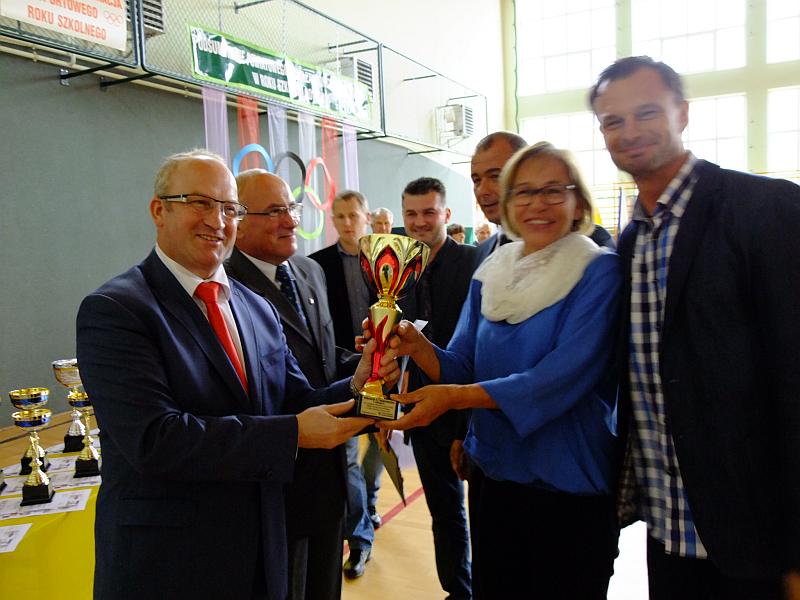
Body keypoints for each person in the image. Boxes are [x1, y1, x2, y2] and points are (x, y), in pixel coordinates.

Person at [76, 150, 394, 600]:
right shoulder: (117, 310)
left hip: (263, 551)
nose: (217, 220)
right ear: (159, 210)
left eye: (229, 208)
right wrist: (291, 434)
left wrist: (362, 382)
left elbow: (294, 400)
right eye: (199, 203)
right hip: (170, 564)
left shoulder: (256, 307)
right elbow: (155, 440)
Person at [590, 56, 800, 600]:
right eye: (613, 121)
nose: (629, 132)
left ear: (682, 113)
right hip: (668, 530)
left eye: (646, 112)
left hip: (755, 537)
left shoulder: (764, 209)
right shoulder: (631, 243)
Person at [381, 143, 621, 599]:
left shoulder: (598, 270)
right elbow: (460, 364)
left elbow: (559, 379)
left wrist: (455, 398)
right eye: (523, 192)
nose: (537, 204)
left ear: (578, 203)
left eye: (553, 190)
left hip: (566, 488)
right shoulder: (492, 271)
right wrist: (417, 345)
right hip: (494, 479)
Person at [225, 169, 358, 600]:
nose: (291, 221)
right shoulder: (224, 287)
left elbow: (325, 358)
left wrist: (370, 365)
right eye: (274, 211)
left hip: (329, 474)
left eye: (292, 208)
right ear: (238, 220)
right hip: (275, 481)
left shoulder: (308, 270)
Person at [398, 176, 478, 600]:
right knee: (443, 513)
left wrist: (466, 423)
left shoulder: (474, 262)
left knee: (484, 514)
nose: (420, 222)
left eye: (429, 212)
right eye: (411, 214)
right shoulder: (400, 268)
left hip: (471, 408)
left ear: (446, 213)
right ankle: (458, 591)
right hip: (423, 413)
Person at [309, 190, 377, 578]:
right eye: (340, 216)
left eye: (353, 215)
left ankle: (370, 504)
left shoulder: (386, 260)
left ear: (366, 216)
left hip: (386, 371)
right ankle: (360, 539)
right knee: (349, 457)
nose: (347, 223)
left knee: (379, 449)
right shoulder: (317, 265)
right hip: (342, 377)